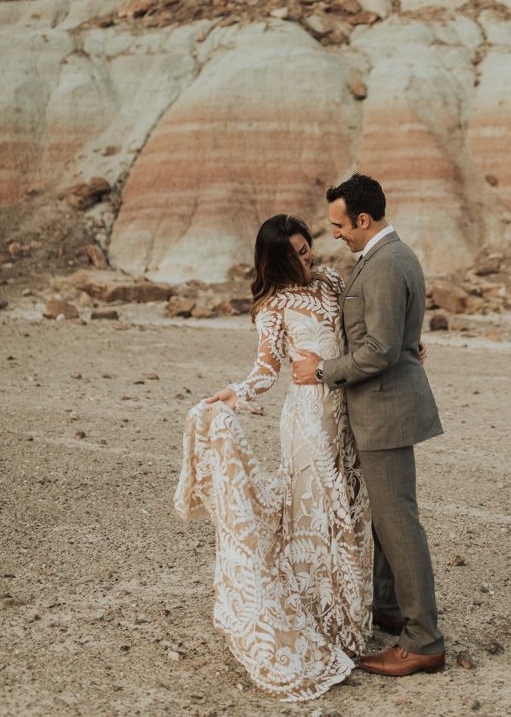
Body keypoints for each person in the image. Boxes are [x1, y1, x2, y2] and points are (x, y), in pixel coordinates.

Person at [173, 214, 373, 702]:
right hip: (308, 423)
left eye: (308, 248)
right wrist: (233, 396)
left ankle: (356, 617)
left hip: (351, 410)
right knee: (326, 517)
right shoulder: (273, 307)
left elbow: (361, 330)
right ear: (277, 259)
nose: (309, 258)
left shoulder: (330, 279)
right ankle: (325, 622)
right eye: (298, 253)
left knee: (356, 510)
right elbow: (265, 371)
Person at [293, 173, 445, 677]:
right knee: (387, 519)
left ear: (363, 219)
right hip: (382, 407)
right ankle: (391, 610)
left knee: (398, 523)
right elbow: (395, 338)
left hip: (384, 410)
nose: (334, 234)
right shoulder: (389, 257)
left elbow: (379, 350)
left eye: (340, 225)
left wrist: (321, 371)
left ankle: (423, 640)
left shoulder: (384, 265)